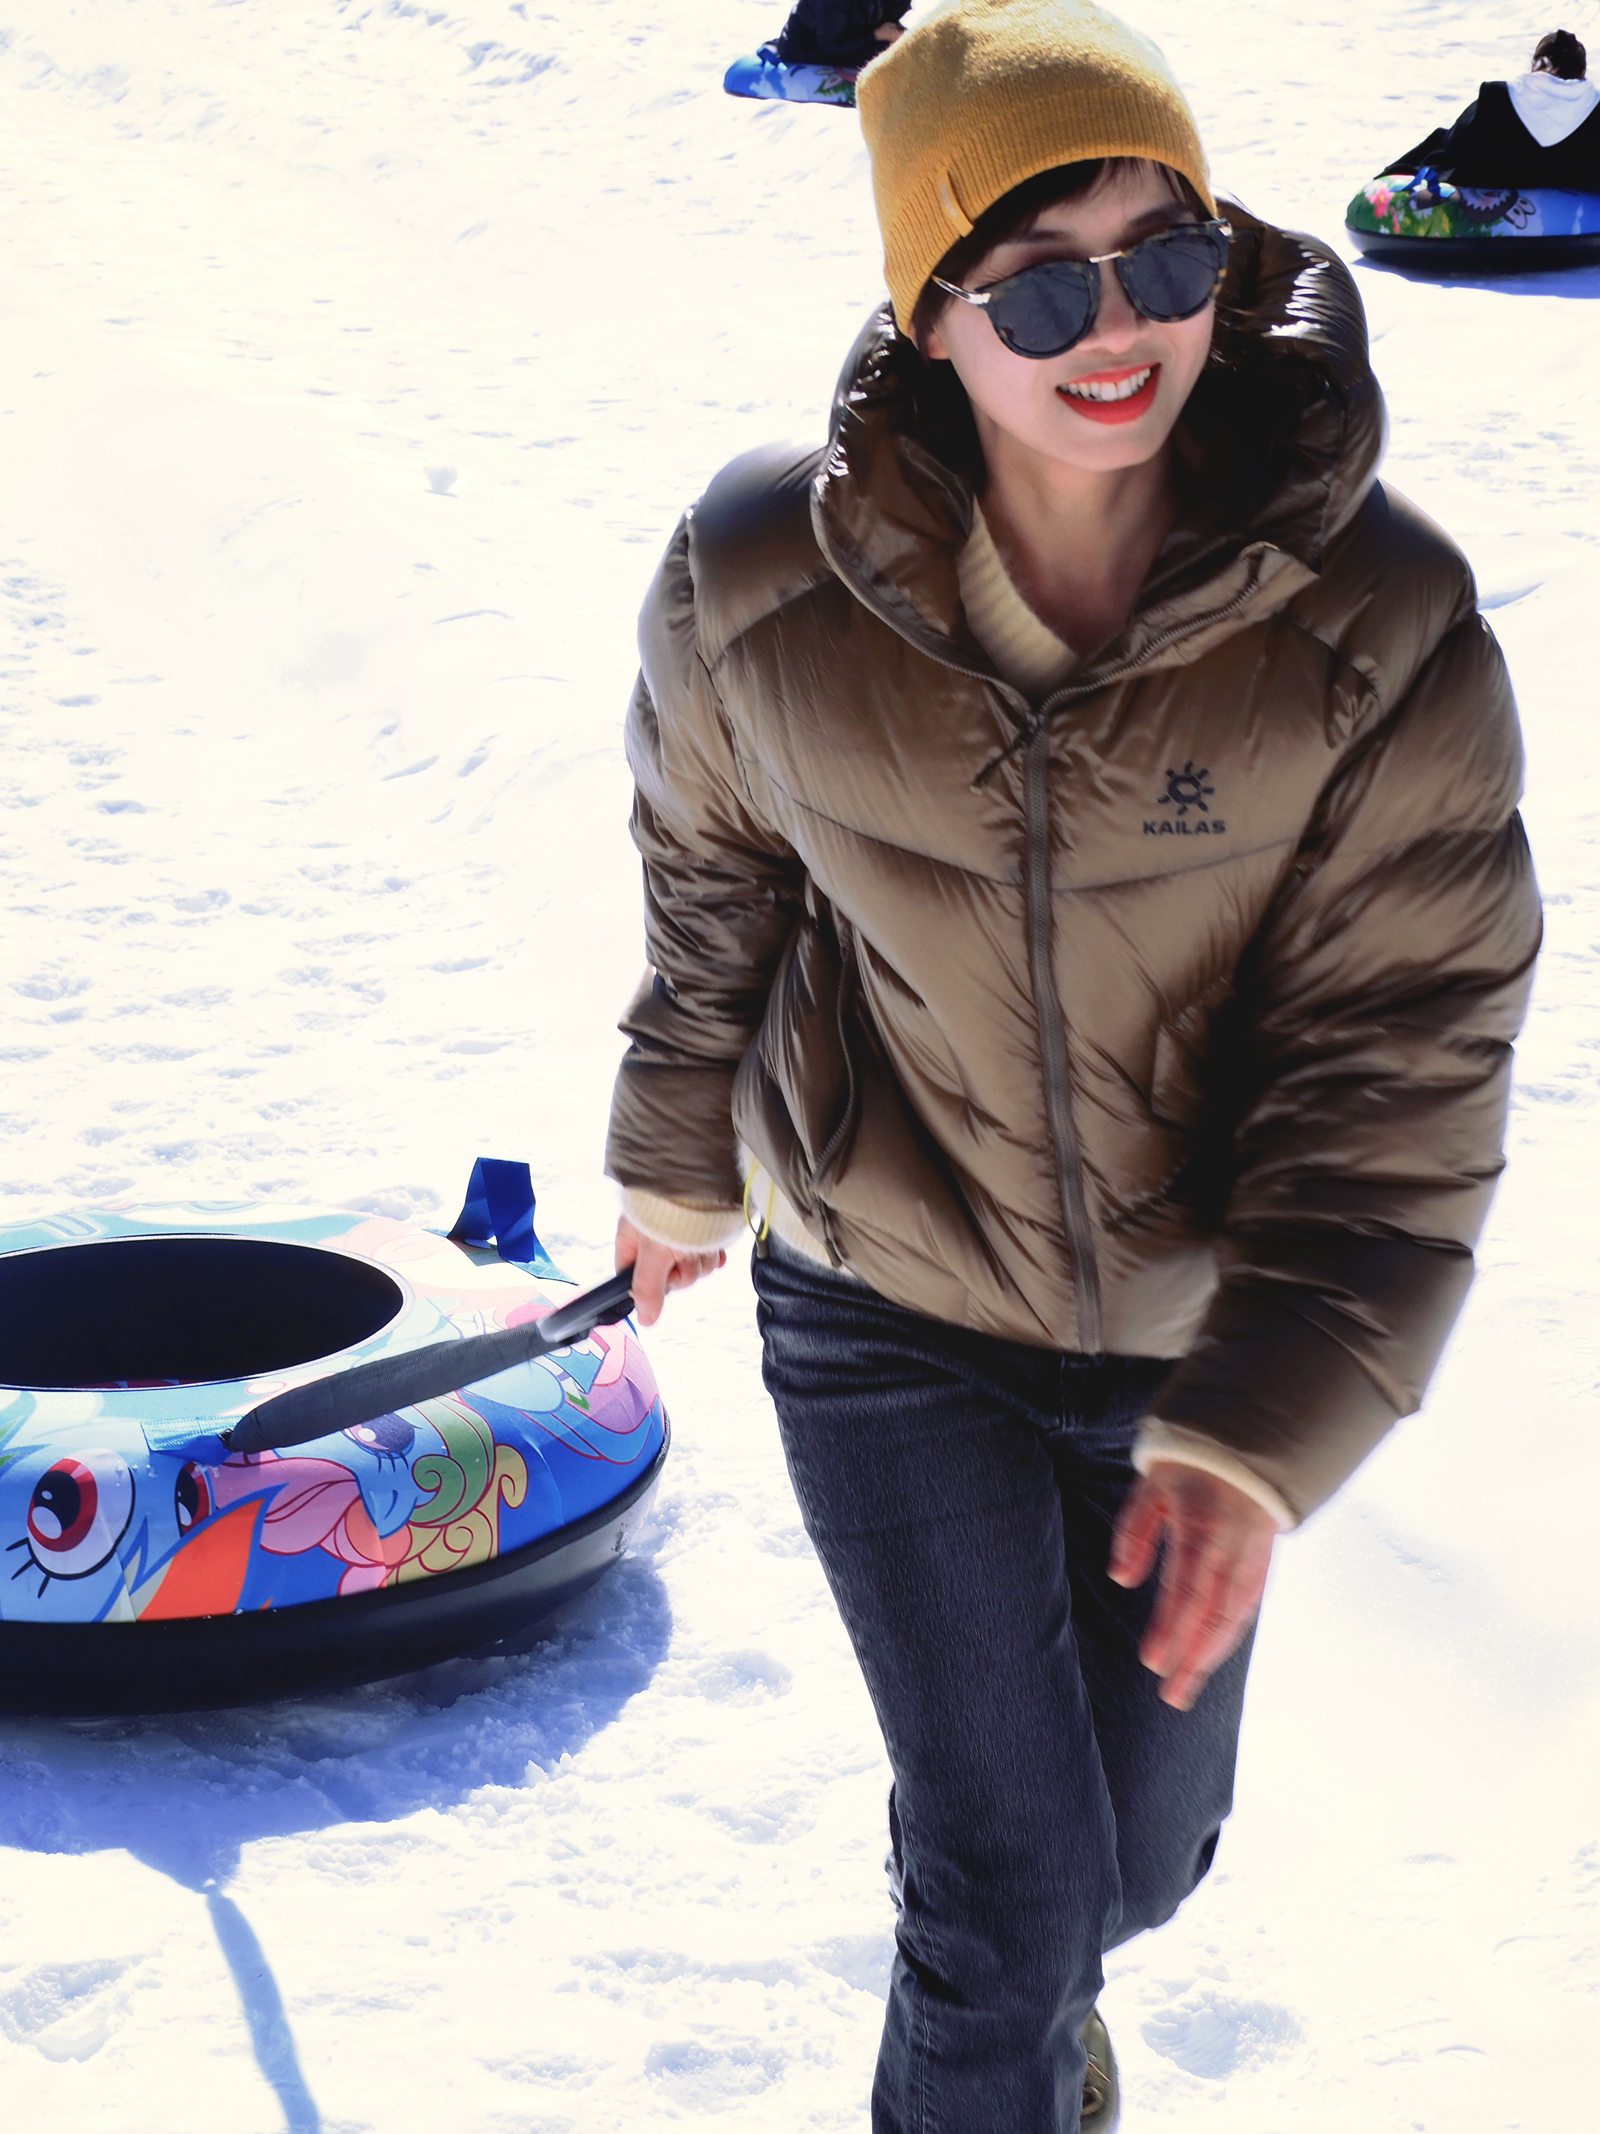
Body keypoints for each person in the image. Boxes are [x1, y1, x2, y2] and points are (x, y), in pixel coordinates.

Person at [604, 0, 1541, 2125]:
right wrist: (675, 1158)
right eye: (1038, 284)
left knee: (1133, 1864)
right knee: (1007, 1896)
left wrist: (1260, 1422)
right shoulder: (761, 579)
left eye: (1166, 257)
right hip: (883, 1302)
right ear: (930, 313)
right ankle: (1000, 1984)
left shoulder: (1373, 621)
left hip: (1185, 1337)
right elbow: (713, 878)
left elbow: (1398, 1059)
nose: (1114, 327)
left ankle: (1025, 1975)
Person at [1385, 27, 1600, 188]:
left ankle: (1385, 184)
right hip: (1573, 182)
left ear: (1535, 65)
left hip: (1499, 178)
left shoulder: (1499, 95)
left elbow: (1455, 146)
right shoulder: (1594, 104)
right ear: (1582, 71)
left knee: (1441, 140)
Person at [765, 0, 910, 73]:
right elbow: (830, 47)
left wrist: (894, 31)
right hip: (809, 46)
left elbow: (889, 17)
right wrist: (875, 34)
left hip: (853, 34)